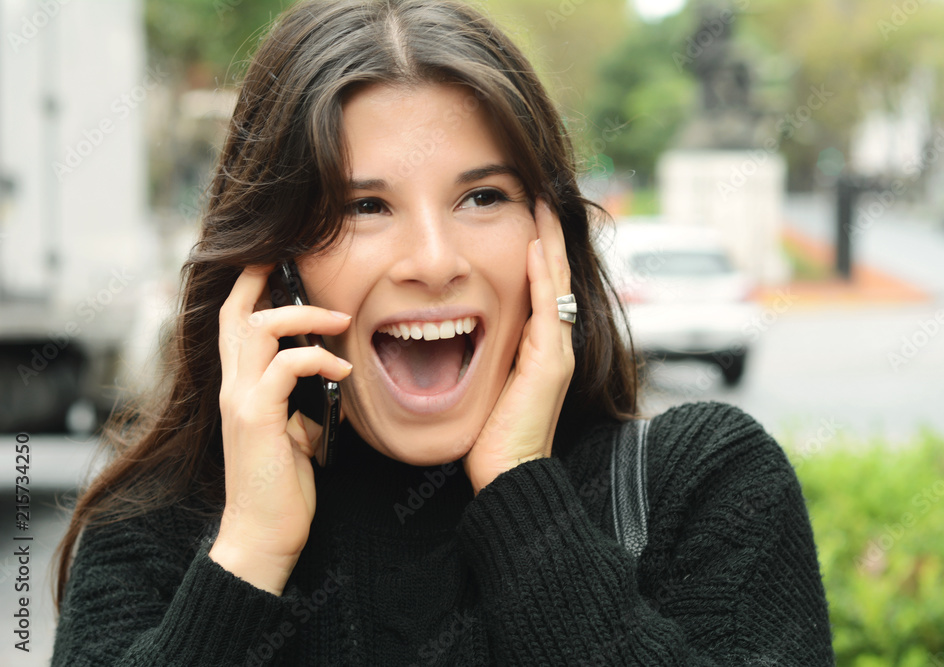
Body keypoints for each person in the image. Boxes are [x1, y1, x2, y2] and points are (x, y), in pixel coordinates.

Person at [52, 0, 835, 664]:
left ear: (550, 237)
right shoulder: (151, 537)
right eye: (364, 207)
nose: (432, 261)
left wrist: (525, 497)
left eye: (482, 197)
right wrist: (248, 557)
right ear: (274, 264)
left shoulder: (702, 488)